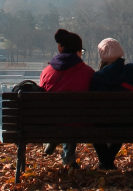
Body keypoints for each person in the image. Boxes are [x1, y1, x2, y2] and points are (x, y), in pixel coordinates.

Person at [39, 29, 95, 167]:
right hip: (79, 124)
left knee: (62, 115)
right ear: (78, 51)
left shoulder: (47, 72)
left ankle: (52, 142)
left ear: (60, 48)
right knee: (73, 116)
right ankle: (68, 158)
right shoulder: (88, 73)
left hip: (51, 124)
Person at [90, 38, 133, 170]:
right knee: (122, 121)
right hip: (130, 122)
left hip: (102, 123)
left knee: (97, 127)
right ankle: (107, 163)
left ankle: (106, 163)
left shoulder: (98, 77)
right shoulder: (131, 70)